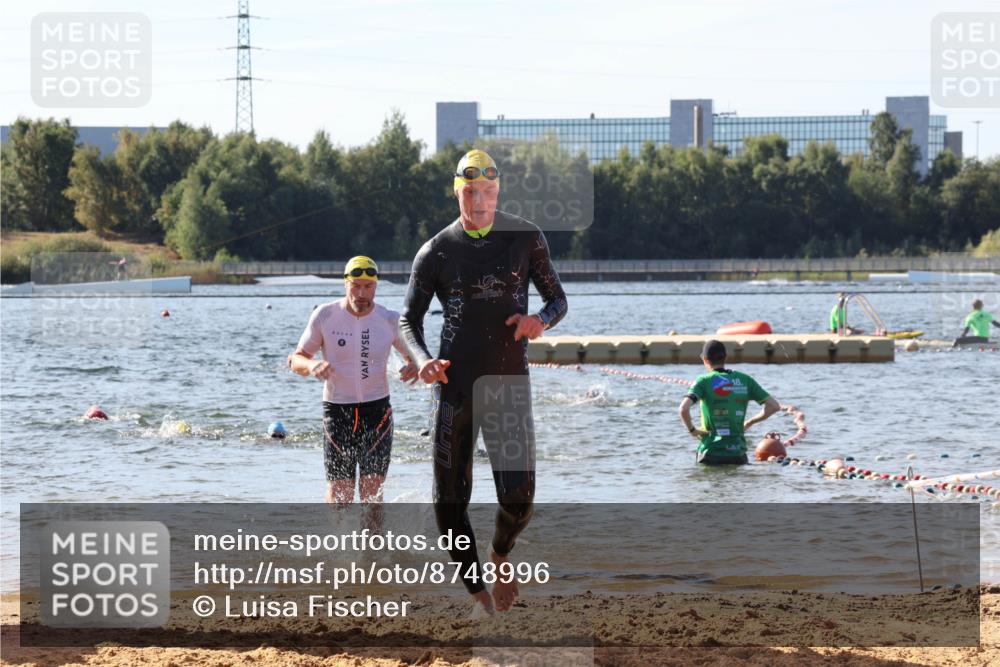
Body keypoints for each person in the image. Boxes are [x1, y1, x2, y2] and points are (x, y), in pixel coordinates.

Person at [399, 148, 568, 615]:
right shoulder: (436, 251)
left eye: (488, 192)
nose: (479, 201)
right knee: (448, 504)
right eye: (470, 192)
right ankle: (478, 596)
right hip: (454, 388)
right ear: (457, 192)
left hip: (508, 385)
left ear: (498, 192)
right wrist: (423, 359)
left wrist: (541, 322)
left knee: (520, 498)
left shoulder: (525, 238)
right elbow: (408, 322)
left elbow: (558, 300)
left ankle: (500, 555)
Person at [289, 256, 417, 512]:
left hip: (377, 412)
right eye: (355, 286)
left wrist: (412, 366)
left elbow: (415, 357)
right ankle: (338, 550)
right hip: (337, 412)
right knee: (341, 496)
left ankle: (372, 552)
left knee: (371, 496)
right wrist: (313, 365)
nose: (361, 293)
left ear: (376, 286)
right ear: (345, 284)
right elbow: (296, 359)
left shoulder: (389, 319)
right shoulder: (325, 315)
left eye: (367, 286)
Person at [679, 340, 781, 465]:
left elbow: (683, 409)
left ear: (705, 360)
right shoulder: (745, 379)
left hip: (710, 452)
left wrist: (692, 430)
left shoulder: (704, 380)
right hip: (738, 454)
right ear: (725, 358)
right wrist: (750, 422)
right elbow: (774, 406)